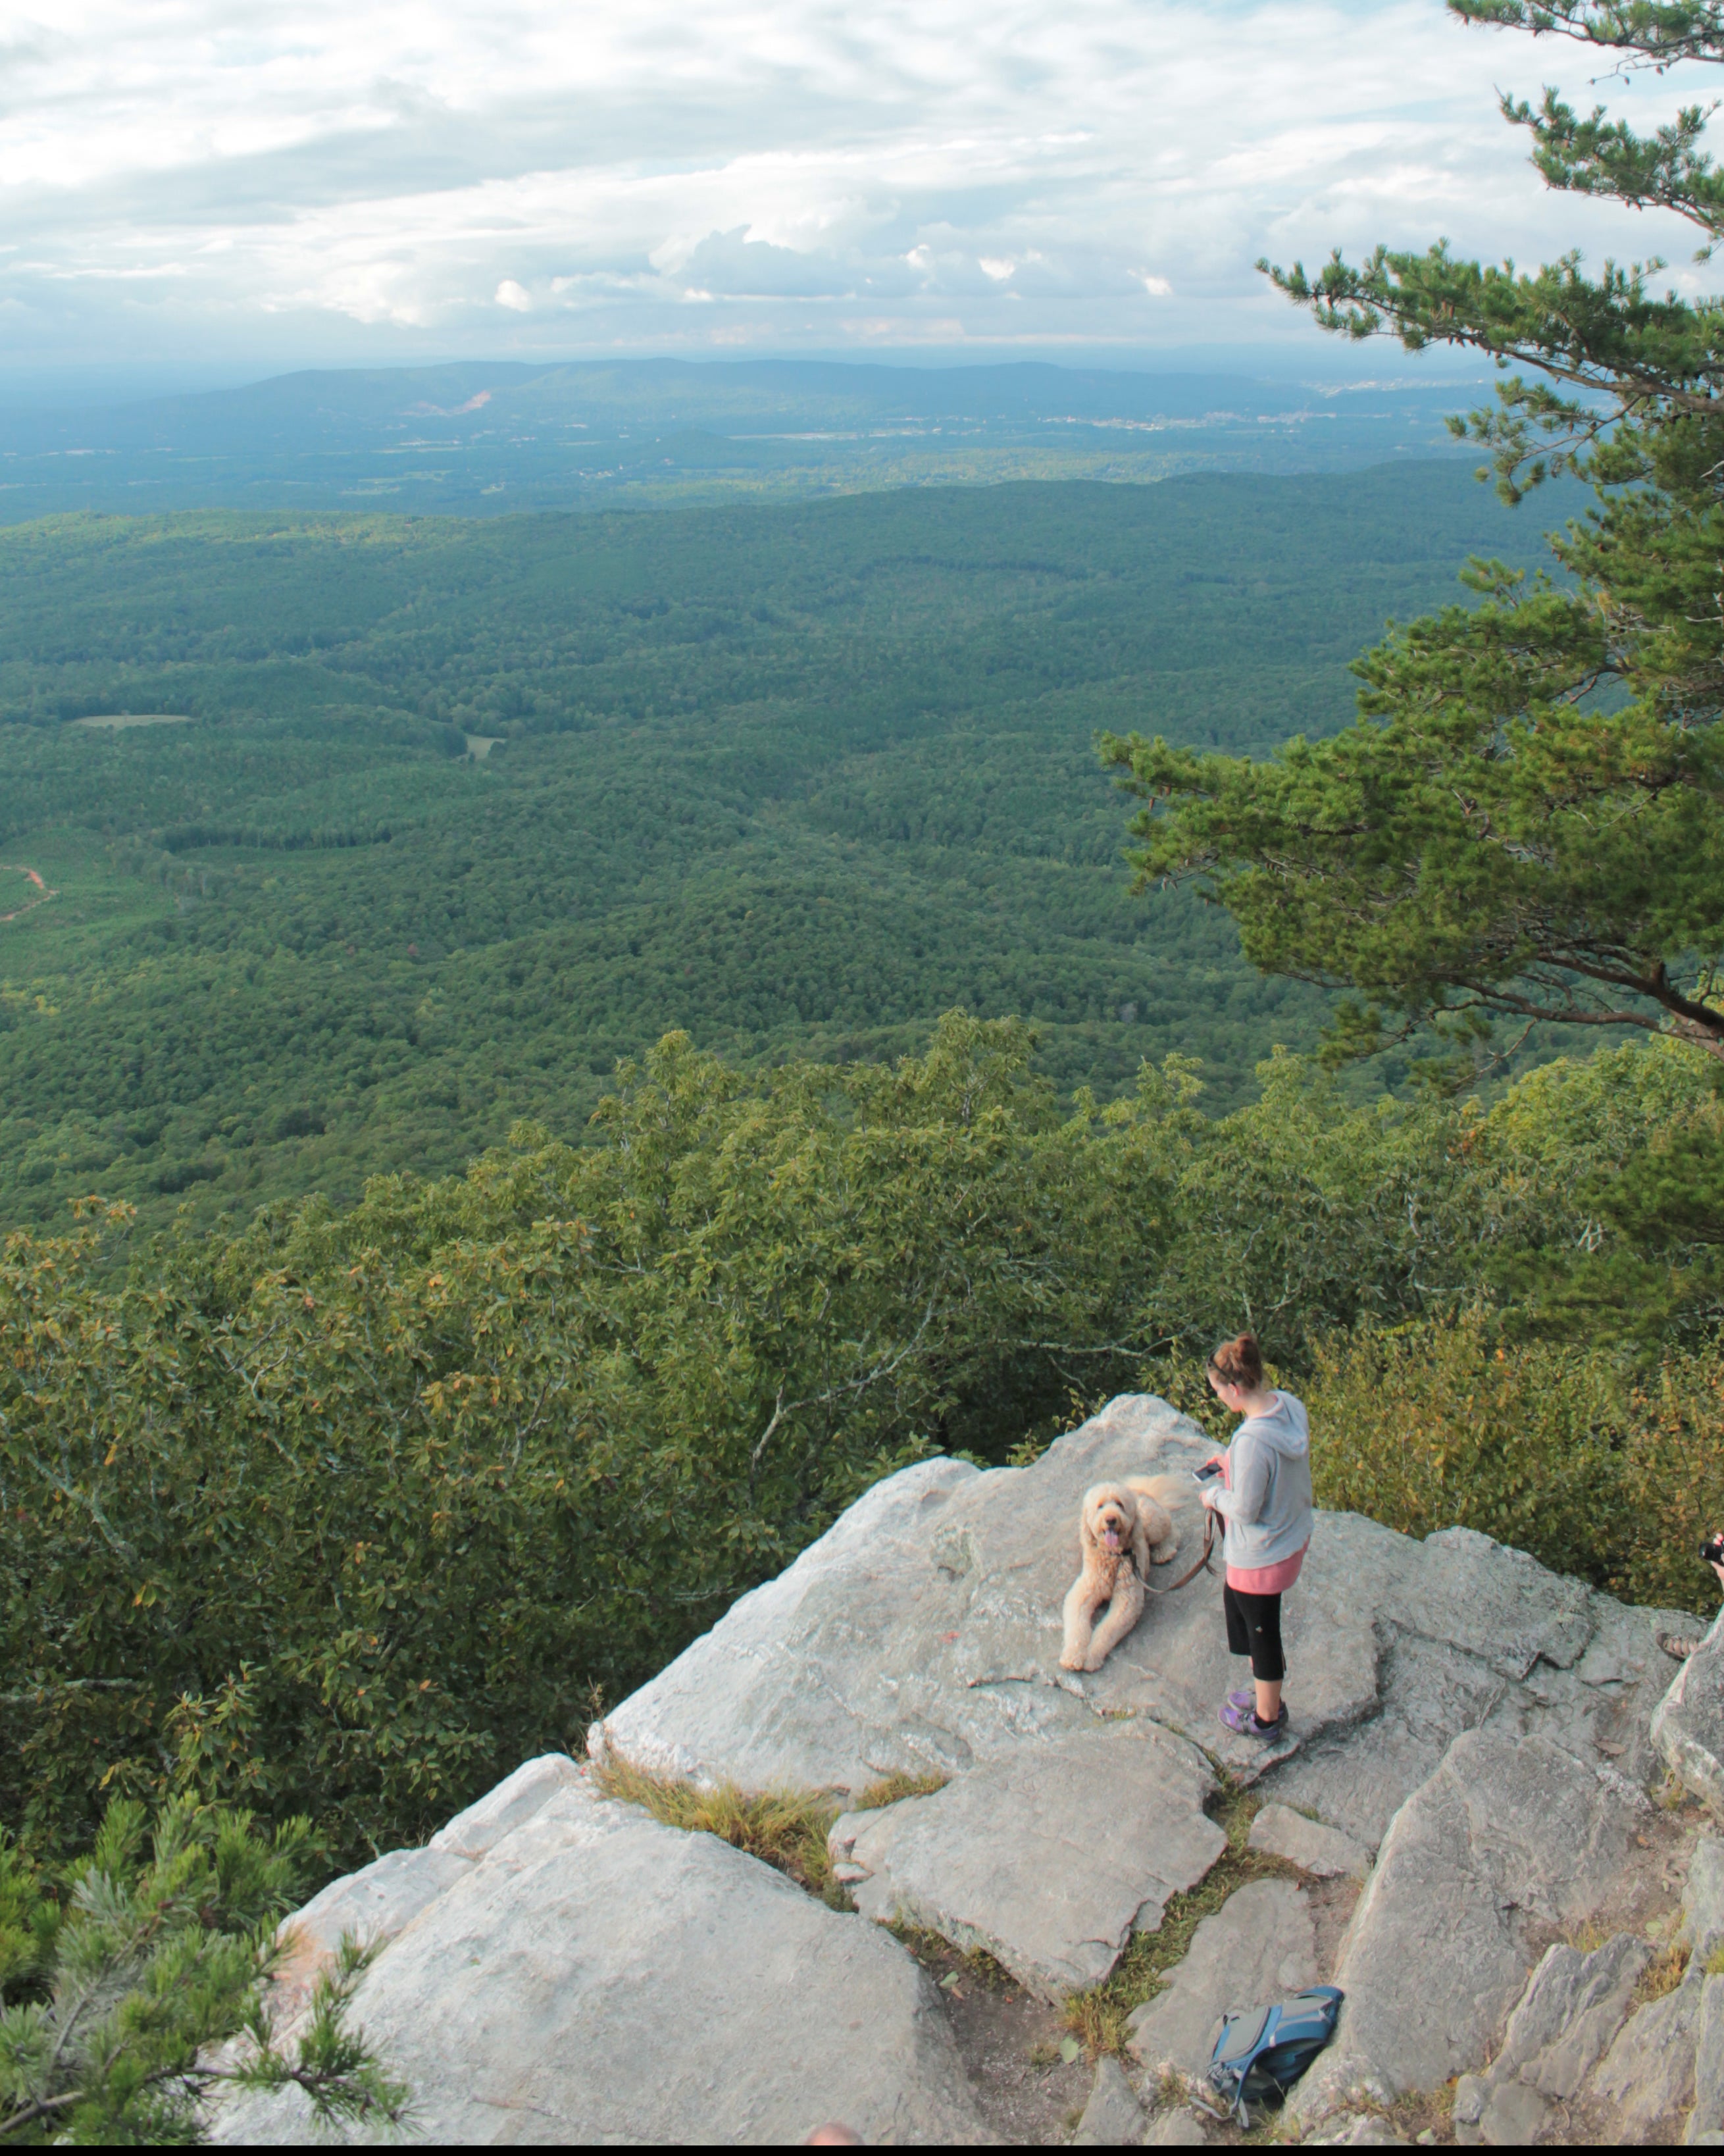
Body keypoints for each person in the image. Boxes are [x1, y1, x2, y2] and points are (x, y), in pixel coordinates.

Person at [1200, 1331, 1313, 1740]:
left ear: (1233, 1388)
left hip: (1263, 1555)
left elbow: (1245, 1509)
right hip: (1291, 1538)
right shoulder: (1289, 1407)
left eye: (1217, 1391)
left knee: (1263, 1633)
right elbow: (1274, 1469)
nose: (1218, 1398)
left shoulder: (1251, 1440)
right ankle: (1266, 1691)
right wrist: (1230, 1463)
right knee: (1248, 1616)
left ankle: (1267, 1718)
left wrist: (1213, 1495)